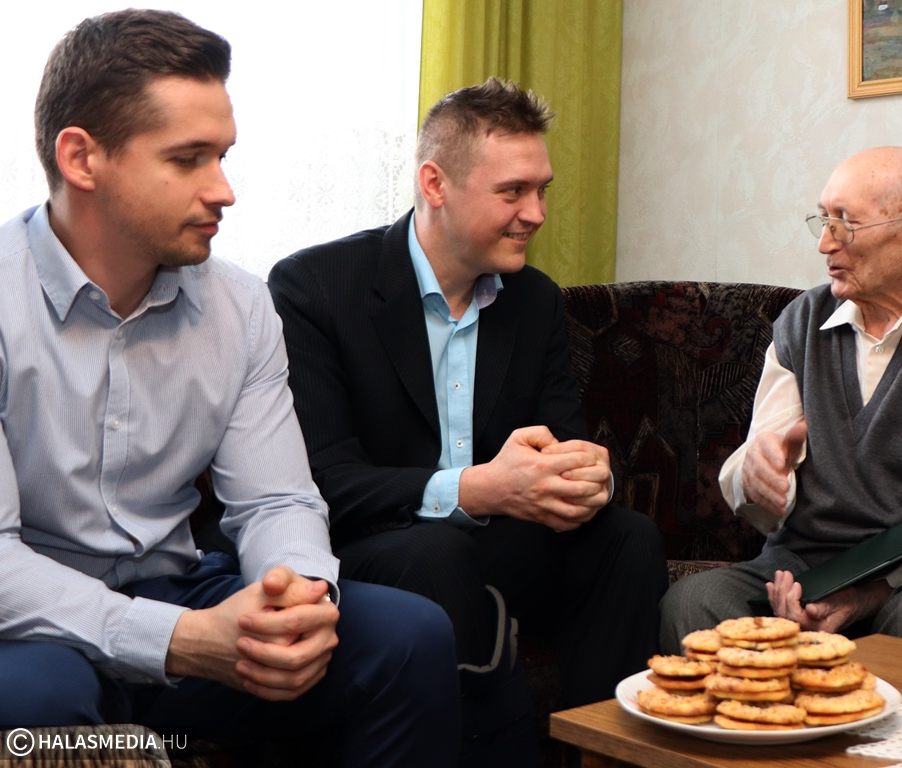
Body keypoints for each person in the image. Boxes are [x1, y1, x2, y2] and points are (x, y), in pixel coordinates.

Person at [0, 9, 460, 766]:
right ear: (82, 158)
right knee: (39, 700)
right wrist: (178, 640)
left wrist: (298, 597)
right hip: (28, 627)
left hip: (178, 592)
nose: (225, 190)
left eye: (222, 156)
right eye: (189, 159)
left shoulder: (241, 306)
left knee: (410, 638)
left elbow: (277, 500)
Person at [267, 78, 668, 728]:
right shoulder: (315, 288)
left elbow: (561, 441)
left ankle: (601, 748)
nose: (536, 213)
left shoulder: (534, 299)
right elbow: (320, 482)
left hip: (493, 548)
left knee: (627, 538)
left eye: (542, 191)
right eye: (513, 192)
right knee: (436, 553)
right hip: (370, 547)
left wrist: (588, 478)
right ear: (435, 184)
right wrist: (476, 489)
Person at [660, 147, 902, 652]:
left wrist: (868, 594)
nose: (825, 243)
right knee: (692, 604)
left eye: (846, 224)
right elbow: (762, 473)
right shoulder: (801, 324)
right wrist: (757, 477)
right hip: (798, 571)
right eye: (823, 220)